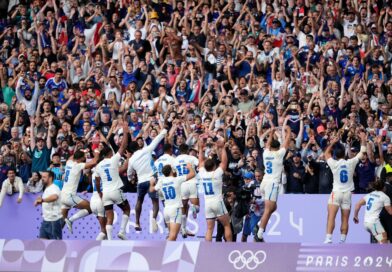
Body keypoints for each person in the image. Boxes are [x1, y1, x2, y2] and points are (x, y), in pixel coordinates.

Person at [323, 132, 367, 243]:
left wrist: (332, 142)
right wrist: (362, 139)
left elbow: (326, 154)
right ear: (345, 154)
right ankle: (342, 241)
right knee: (345, 219)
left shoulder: (334, 163)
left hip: (336, 192)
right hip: (347, 194)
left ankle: (328, 238)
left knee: (331, 217)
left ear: (335, 155)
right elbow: (362, 153)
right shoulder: (350, 162)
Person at [127, 128, 167, 232]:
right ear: (138, 146)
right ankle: (153, 218)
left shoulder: (131, 160)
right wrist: (163, 131)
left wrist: (131, 178)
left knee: (139, 201)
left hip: (140, 182)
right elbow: (156, 140)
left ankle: (136, 222)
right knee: (155, 202)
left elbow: (129, 174)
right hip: (151, 180)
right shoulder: (146, 150)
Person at [256, 126, 291, 242]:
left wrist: (271, 133)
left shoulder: (266, 153)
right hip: (272, 184)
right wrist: (289, 131)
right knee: (268, 209)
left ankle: (260, 223)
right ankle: (259, 234)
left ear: (270, 146)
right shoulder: (279, 154)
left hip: (264, 183)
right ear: (278, 147)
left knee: (273, 207)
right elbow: (287, 142)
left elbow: (267, 145)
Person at [96, 122, 129, 240]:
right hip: (115, 190)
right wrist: (125, 132)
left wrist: (100, 193)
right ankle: (122, 232)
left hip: (105, 193)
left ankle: (110, 240)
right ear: (108, 153)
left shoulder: (98, 165)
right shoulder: (113, 160)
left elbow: (97, 180)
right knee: (127, 209)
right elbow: (123, 146)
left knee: (109, 216)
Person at [198, 137, 232, 242]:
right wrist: (223, 148)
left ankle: (208, 250)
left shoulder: (202, 173)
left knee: (209, 229)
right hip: (217, 202)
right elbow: (224, 162)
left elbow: (200, 161)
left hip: (207, 204)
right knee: (227, 225)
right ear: (214, 166)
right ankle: (231, 247)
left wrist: (200, 148)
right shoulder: (216, 173)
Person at [150, 163, 195, 240]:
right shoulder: (177, 179)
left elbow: (151, 190)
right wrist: (190, 167)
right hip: (175, 209)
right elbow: (192, 174)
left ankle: (166, 250)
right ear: (171, 171)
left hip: (166, 210)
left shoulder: (161, 181)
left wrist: (151, 183)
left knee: (171, 236)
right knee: (173, 236)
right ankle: (162, 251)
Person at [61, 149, 99, 233]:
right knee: (91, 207)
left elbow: (72, 156)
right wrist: (96, 152)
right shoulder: (77, 165)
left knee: (61, 223)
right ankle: (71, 220)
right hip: (69, 196)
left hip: (62, 196)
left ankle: (53, 241)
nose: (84, 159)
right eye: (84, 158)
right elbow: (94, 162)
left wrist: (82, 151)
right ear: (81, 159)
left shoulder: (68, 162)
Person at [172, 143, 199, 238]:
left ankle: (183, 229)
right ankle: (193, 207)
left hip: (182, 184)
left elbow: (173, 173)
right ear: (188, 150)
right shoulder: (191, 158)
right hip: (192, 182)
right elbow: (199, 164)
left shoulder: (175, 160)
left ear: (179, 150)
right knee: (197, 207)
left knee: (183, 207)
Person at [353, 179, 392, 244]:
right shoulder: (385, 197)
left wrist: (355, 216)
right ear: (384, 188)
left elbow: (357, 204)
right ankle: (381, 254)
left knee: (381, 237)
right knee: (383, 239)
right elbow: (390, 212)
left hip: (366, 223)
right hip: (374, 223)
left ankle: (376, 252)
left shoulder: (369, 195)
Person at [34, 171, 63, 240]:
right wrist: (41, 200)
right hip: (46, 220)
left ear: (50, 178)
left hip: (54, 221)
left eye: (44, 177)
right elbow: (46, 200)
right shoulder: (47, 188)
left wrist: (43, 200)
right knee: (42, 243)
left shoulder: (54, 187)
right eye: (42, 177)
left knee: (56, 246)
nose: (42, 179)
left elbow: (54, 197)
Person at [90, 168, 107, 240]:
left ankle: (106, 246)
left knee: (105, 227)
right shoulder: (103, 173)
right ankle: (96, 243)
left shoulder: (93, 174)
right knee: (104, 229)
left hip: (93, 200)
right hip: (101, 199)